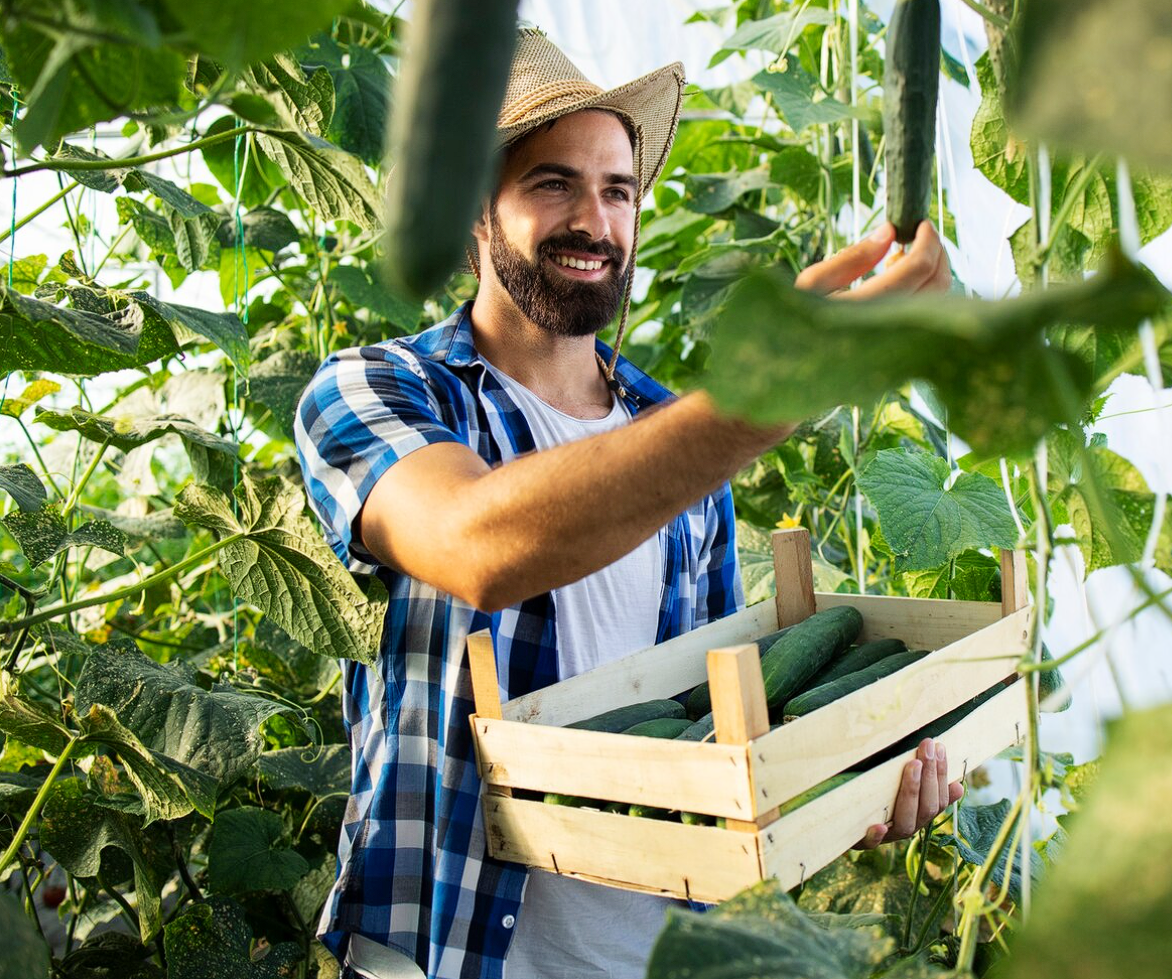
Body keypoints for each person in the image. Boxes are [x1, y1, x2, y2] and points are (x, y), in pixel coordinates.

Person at [295, 24, 958, 979]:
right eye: (552, 182)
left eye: (617, 189)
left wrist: (838, 788)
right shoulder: (377, 393)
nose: (595, 221)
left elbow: (715, 726)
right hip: (447, 953)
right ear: (477, 212)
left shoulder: (675, 449)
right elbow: (480, 543)